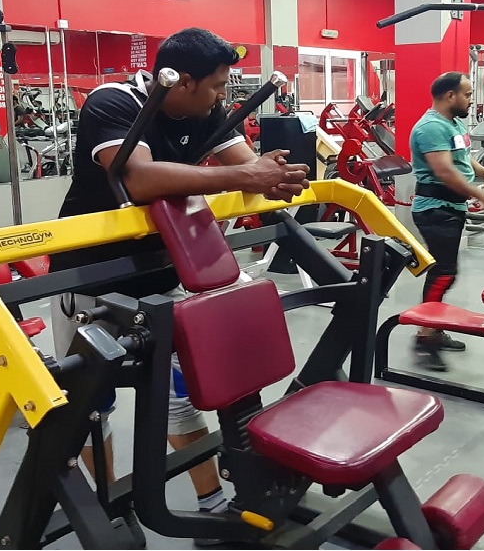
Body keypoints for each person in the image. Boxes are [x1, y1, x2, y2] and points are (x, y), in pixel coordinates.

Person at [48, 27, 310, 541]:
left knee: (181, 397)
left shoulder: (205, 109)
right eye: (216, 85)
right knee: (90, 404)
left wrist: (276, 176)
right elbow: (140, 180)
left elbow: (246, 166)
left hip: (163, 272)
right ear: (183, 81)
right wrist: (247, 177)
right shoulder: (114, 102)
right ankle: (107, 504)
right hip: (90, 275)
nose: (221, 96)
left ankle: (211, 503)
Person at [409, 72, 484, 372]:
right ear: (450, 95)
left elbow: (461, 159)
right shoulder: (430, 128)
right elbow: (445, 172)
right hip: (435, 209)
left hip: (450, 207)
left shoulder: (454, 123)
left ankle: (431, 328)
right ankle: (426, 335)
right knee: (443, 273)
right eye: (467, 94)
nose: (471, 99)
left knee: (445, 271)